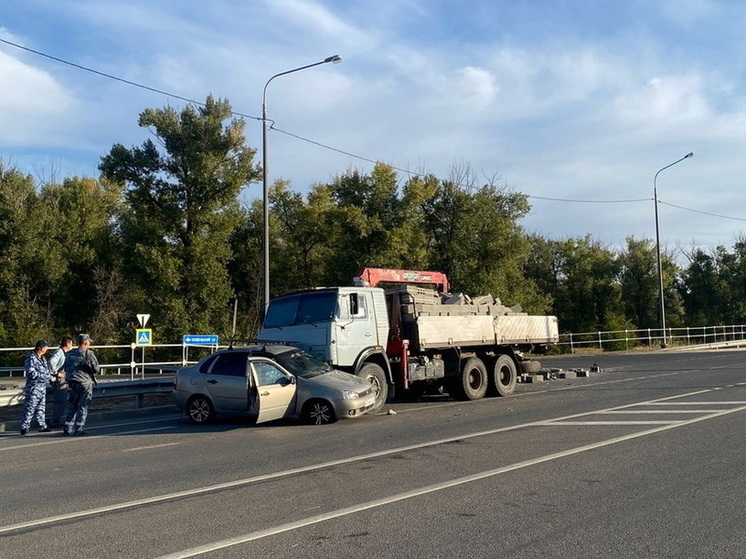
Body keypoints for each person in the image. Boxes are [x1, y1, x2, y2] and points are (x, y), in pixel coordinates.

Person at [63, 333, 100, 436]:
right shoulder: (88, 354)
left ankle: (67, 427)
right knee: (83, 406)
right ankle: (79, 429)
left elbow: (65, 367)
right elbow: (96, 368)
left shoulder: (70, 353)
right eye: (89, 343)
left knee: (73, 406)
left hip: (72, 383)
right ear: (85, 342)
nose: (89, 345)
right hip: (84, 383)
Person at [20, 340, 53, 435]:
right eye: (46, 347)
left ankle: (42, 426)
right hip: (33, 388)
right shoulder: (31, 358)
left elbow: (46, 371)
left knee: (41, 408)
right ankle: (24, 427)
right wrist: (45, 377)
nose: (47, 349)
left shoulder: (43, 358)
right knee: (30, 408)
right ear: (40, 348)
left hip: (42, 387)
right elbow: (31, 372)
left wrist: (50, 377)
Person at [48, 336, 74, 429]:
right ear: (67, 344)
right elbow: (51, 363)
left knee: (62, 402)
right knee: (60, 403)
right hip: (59, 381)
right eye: (71, 344)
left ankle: (56, 421)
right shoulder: (59, 352)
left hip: (62, 381)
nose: (72, 346)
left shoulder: (64, 353)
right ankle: (55, 422)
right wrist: (56, 373)